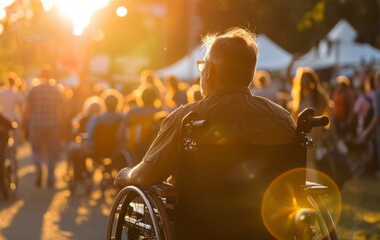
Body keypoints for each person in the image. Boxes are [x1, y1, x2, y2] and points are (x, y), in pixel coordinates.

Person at [115, 27, 296, 187]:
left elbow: (145, 175)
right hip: (262, 222)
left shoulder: (187, 118)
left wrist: (128, 174)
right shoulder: (282, 119)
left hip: (198, 222)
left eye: (202, 67)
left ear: (209, 71)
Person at [22, 65, 65, 188]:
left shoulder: (34, 90)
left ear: (40, 76)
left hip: (36, 123)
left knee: (36, 149)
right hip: (52, 123)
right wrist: (61, 124)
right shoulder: (55, 90)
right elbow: (61, 110)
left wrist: (24, 123)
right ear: (50, 76)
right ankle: (51, 178)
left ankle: (39, 167)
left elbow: (28, 109)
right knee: (52, 151)